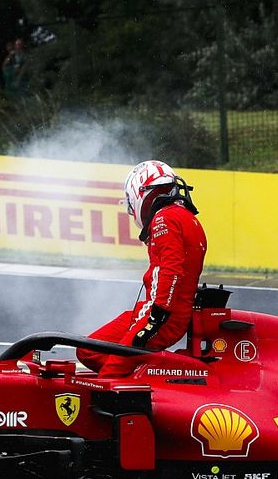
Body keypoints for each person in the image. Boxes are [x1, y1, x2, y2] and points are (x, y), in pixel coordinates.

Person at [77, 160, 207, 377]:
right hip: (159, 311)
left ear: (140, 193)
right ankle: (146, 375)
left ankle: (147, 382)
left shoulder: (164, 218)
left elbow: (171, 269)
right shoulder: (186, 218)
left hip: (161, 315)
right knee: (88, 351)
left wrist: (157, 316)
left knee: (109, 376)